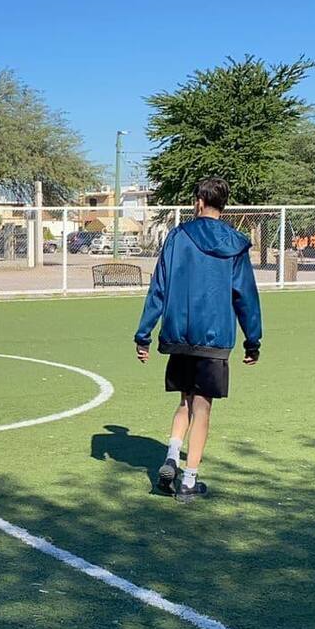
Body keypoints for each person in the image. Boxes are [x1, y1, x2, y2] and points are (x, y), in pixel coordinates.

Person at [133, 177, 262, 502]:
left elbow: (159, 287)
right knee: (202, 408)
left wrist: (144, 334)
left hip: (180, 336)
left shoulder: (177, 238)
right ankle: (189, 481)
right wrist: (253, 340)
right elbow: (245, 295)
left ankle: (172, 457)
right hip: (214, 339)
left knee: (184, 402)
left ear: (198, 202)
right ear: (222, 204)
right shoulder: (236, 243)